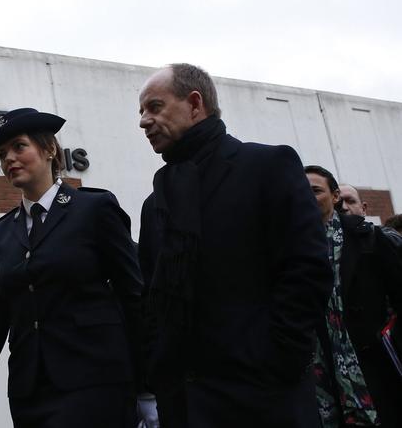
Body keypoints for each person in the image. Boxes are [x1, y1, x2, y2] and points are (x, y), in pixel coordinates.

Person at [136, 63, 332, 428]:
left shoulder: (266, 167)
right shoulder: (155, 203)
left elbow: (306, 270)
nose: (144, 121)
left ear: (195, 104)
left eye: (155, 107)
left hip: (263, 399)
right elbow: (151, 298)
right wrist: (159, 370)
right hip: (184, 405)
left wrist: (275, 359)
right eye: (141, 112)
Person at [0, 108, 143, 428]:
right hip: (30, 395)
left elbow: (135, 300)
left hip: (97, 385)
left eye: (19, 146)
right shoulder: (0, 234)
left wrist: (149, 390)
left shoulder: (94, 210)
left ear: (49, 150)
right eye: (2, 154)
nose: (9, 158)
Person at [305, 166, 402, 428]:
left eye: (315, 190)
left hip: (373, 365)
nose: (307, 196)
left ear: (335, 196)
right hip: (321, 372)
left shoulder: (370, 239)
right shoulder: (293, 249)